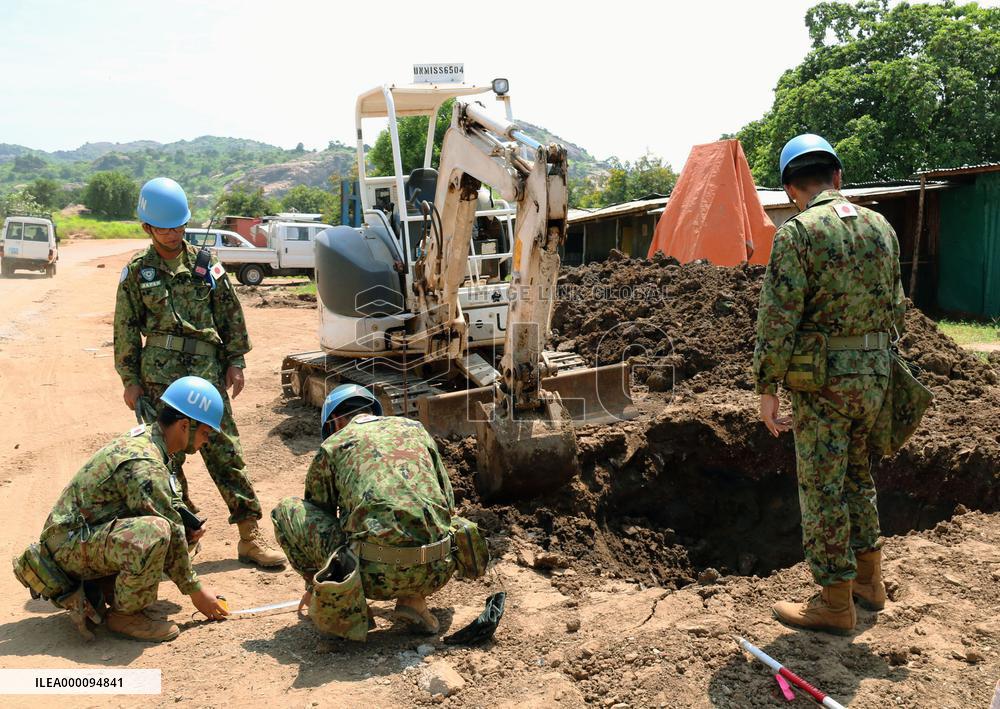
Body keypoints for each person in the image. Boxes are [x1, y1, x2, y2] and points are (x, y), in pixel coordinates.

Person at [753, 134, 905, 634]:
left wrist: (767, 388)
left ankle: (835, 602)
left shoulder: (797, 234)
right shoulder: (882, 227)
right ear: (838, 177)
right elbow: (897, 308)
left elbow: (778, 320)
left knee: (822, 488)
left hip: (822, 386)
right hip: (876, 377)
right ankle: (870, 582)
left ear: (790, 188)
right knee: (858, 477)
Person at [113, 177, 284, 568]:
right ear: (147, 228)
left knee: (226, 452)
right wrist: (130, 380)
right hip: (159, 378)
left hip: (206, 371)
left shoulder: (207, 266)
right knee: (166, 461)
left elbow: (230, 315)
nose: (173, 234)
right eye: (164, 227)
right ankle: (182, 538)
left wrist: (236, 361)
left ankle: (249, 535)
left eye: (179, 226)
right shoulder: (138, 273)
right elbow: (124, 329)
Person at [16, 377, 230, 642]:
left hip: (79, 539)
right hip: (66, 548)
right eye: (205, 433)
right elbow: (168, 527)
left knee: (179, 533)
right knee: (157, 532)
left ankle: (108, 590)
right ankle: (125, 616)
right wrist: (197, 591)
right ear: (185, 425)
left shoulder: (152, 441)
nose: (206, 441)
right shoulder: (146, 462)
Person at [271, 384, 458, 639]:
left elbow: (317, 518)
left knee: (288, 511)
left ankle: (346, 604)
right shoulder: (415, 430)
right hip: (438, 567)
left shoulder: (334, 446)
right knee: (414, 515)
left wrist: (315, 581)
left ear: (335, 422)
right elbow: (448, 503)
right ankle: (414, 601)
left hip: (373, 575)